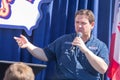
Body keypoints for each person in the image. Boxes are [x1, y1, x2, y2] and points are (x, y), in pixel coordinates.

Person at [14, 9, 109, 80]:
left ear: (92, 25)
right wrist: (28, 45)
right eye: (77, 22)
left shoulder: (100, 46)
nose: (79, 26)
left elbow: (103, 69)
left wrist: (86, 51)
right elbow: (45, 54)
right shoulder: (64, 40)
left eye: (83, 23)